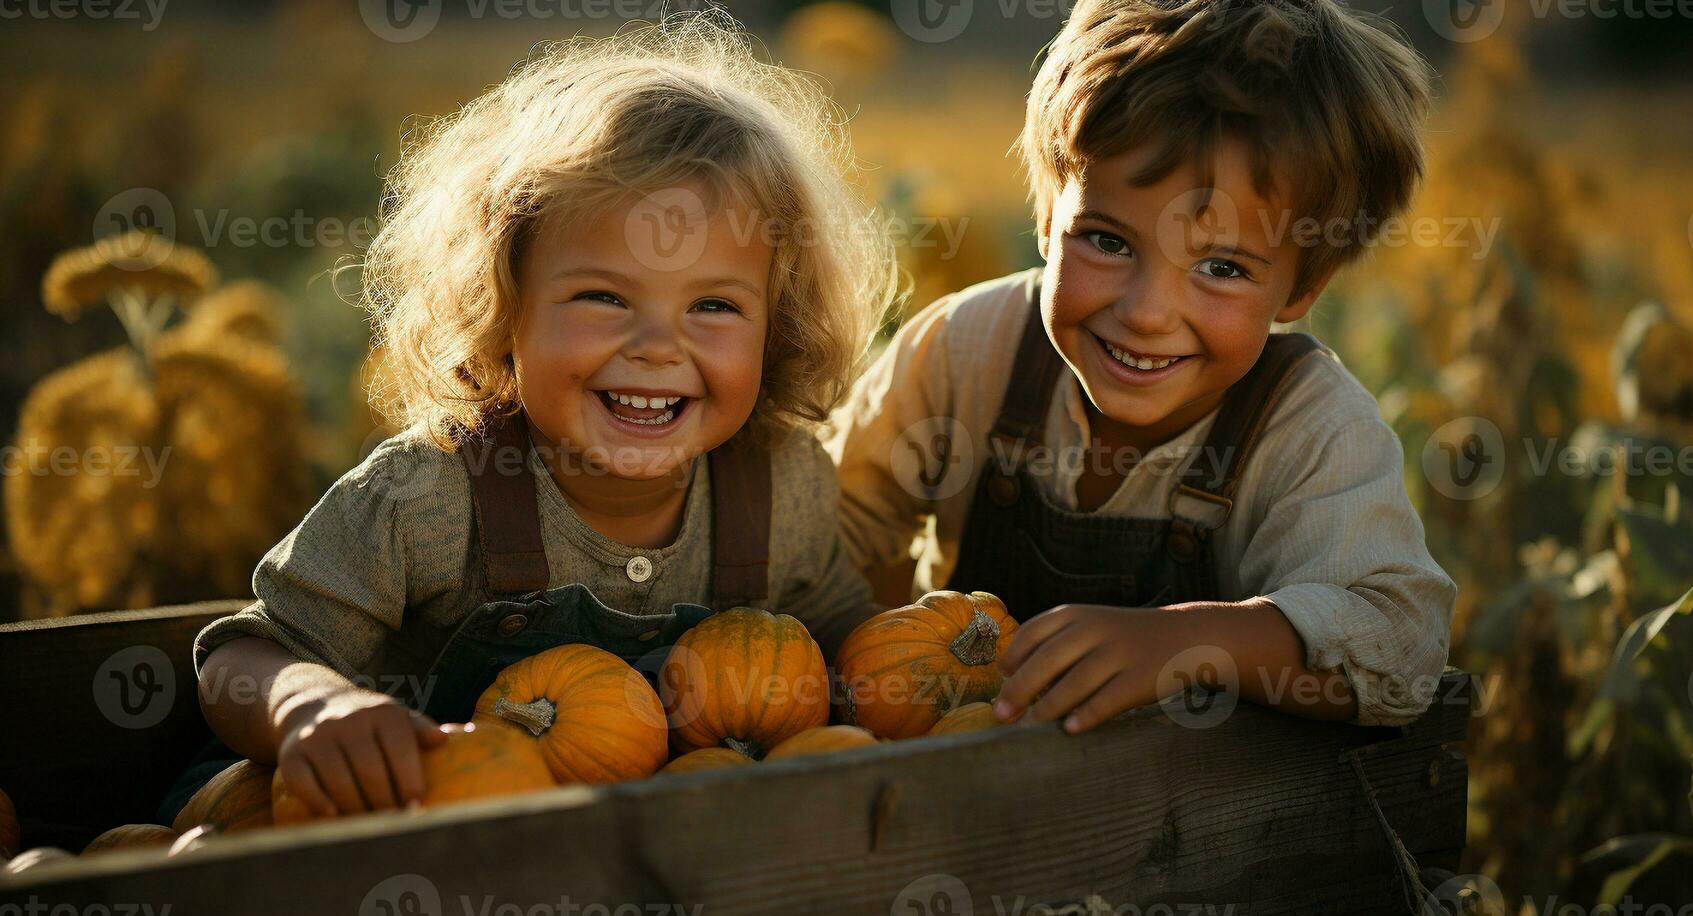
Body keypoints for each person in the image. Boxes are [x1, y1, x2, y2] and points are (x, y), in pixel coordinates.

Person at [174, 15, 895, 822]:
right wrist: (311, 707)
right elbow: (243, 656)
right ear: (503, 305)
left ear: (780, 325)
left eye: (715, 305)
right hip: (412, 856)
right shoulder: (429, 496)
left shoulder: (782, 488)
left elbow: (850, 663)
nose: (658, 347)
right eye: (603, 297)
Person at [826, 0, 1456, 734]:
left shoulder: (1309, 428)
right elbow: (828, 539)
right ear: (1047, 217)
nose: (1148, 312)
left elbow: (1400, 646)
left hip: (1187, 825)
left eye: (1220, 266)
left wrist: (1189, 642)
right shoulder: (967, 349)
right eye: (1107, 241)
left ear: (1302, 287)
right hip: (952, 783)